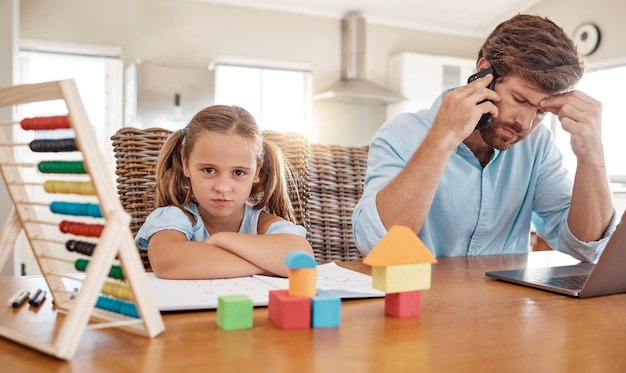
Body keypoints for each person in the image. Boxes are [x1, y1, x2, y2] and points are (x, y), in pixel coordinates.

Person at [352, 14, 616, 262]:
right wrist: (443, 137)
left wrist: (592, 154)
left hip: (505, 306)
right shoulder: (401, 133)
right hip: (421, 300)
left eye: (541, 111)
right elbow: (375, 243)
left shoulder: (538, 145)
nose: (525, 123)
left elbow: (585, 247)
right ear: (485, 73)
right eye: (520, 100)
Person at [135, 105, 313, 279]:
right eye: (209, 170)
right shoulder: (174, 217)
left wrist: (221, 239)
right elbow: (168, 262)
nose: (222, 187)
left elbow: (302, 258)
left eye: (238, 172)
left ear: (256, 172)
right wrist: (266, 264)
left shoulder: (261, 223)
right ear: (186, 165)